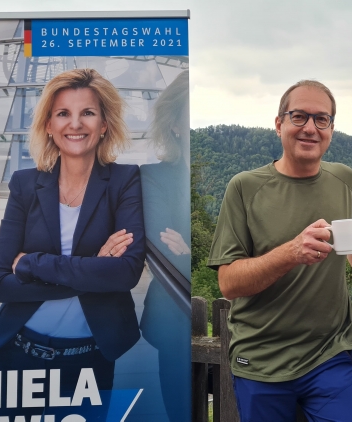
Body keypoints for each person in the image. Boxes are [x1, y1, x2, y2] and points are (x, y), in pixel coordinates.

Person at [207, 80, 352, 422]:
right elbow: (229, 284)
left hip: (330, 355)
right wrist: (291, 252)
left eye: (321, 119)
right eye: (299, 116)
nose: (310, 128)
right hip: (261, 360)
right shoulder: (245, 187)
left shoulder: (344, 179)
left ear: (332, 130)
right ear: (279, 124)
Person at [0, 68, 145, 419]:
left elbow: (126, 273)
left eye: (87, 112)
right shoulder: (25, 184)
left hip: (87, 364)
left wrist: (32, 264)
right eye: (63, 113)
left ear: (104, 124)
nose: (76, 124)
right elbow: (0, 282)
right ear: (48, 125)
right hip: (14, 358)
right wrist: (92, 272)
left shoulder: (124, 180)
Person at [139, 69, 192, 422]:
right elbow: (162, 254)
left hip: (248, 330)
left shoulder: (237, 180)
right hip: (175, 323)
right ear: (174, 124)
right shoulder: (153, 177)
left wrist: (189, 251)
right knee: (181, 412)